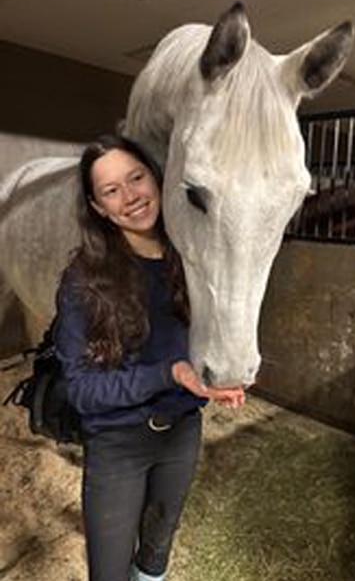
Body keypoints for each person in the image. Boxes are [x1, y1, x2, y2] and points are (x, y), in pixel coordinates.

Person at [55, 135, 244, 581]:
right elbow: (80, 390)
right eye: (111, 190)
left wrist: (216, 376)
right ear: (99, 207)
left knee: (157, 553)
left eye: (136, 177)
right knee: (109, 573)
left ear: (156, 178)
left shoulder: (193, 258)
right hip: (116, 442)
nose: (131, 196)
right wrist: (169, 373)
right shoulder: (83, 279)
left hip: (181, 433)